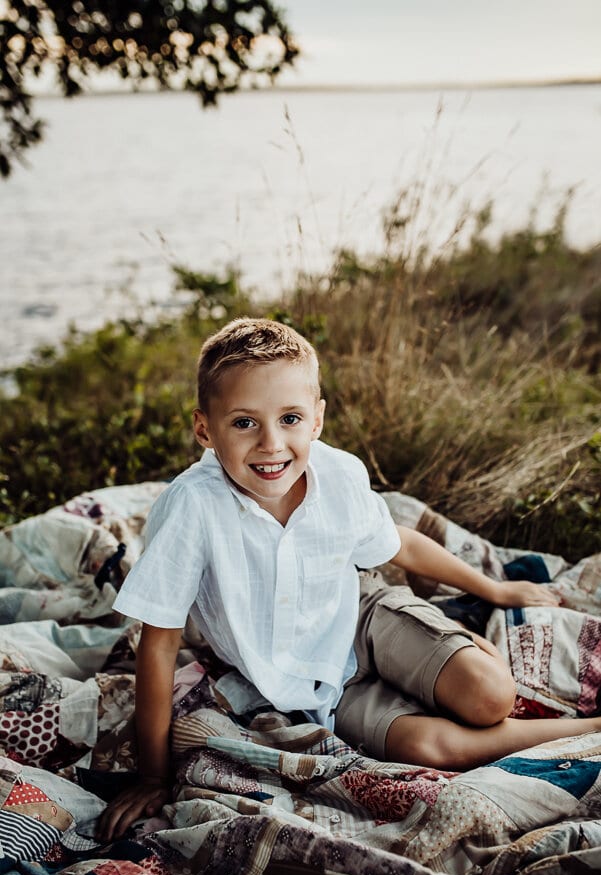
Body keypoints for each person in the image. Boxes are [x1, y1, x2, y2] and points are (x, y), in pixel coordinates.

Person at [98, 317, 601, 840]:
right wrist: (153, 775)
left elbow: (397, 541)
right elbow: (157, 645)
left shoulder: (338, 474)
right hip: (301, 684)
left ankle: (453, 648)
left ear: (316, 420)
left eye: (290, 418)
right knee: (431, 750)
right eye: (244, 423)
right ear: (205, 428)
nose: (272, 444)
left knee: (490, 695)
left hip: (364, 617)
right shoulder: (191, 508)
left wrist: (493, 589)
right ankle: (587, 731)